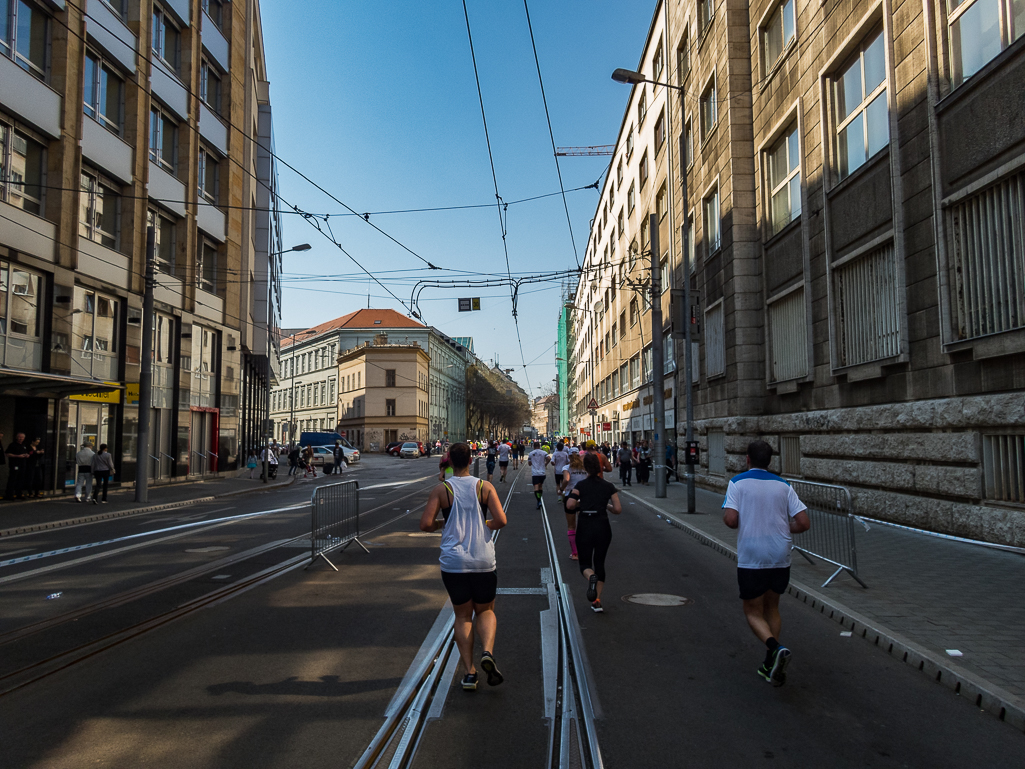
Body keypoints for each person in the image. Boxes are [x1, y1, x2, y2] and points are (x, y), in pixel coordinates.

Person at [420, 442, 508, 691]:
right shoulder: (484, 486)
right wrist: (485, 524)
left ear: (449, 462)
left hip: (454, 562)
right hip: (482, 560)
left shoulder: (442, 489)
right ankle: (487, 652)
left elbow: (426, 524)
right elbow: (501, 520)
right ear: (471, 460)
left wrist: (442, 525)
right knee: (486, 611)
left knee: (462, 615)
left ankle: (469, 672)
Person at [722, 440, 811, 687]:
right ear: (769, 461)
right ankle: (770, 662)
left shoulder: (738, 482)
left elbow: (730, 519)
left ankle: (775, 648)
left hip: (753, 554)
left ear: (747, 459)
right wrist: (784, 527)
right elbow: (803, 523)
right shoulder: (784, 485)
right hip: (780, 553)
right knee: (772, 607)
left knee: (752, 611)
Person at [566, 452, 622, 613]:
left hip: (585, 525)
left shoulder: (581, 486)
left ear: (585, 468)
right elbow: (617, 509)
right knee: (600, 563)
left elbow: (570, 505)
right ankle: (597, 600)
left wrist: (581, 503)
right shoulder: (608, 486)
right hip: (603, 526)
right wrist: (606, 506)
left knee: (585, 563)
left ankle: (590, 577)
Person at [562, 452, 588, 560]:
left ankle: (575, 553)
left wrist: (561, 489)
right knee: (584, 525)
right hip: (584, 498)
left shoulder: (567, 467)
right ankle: (585, 550)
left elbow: (566, 480)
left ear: (569, 457)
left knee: (571, 526)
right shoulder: (585, 467)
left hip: (571, 497)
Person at [5, 432, 30, 501]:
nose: (20, 439)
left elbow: (26, 452)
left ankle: (19, 494)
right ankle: (9, 495)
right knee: (13, 479)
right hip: (15, 464)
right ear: (16, 437)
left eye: (22, 437)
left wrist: (26, 455)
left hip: (22, 464)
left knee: (21, 480)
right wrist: (17, 456)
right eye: (19, 437)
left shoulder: (24, 445)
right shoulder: (12, 445)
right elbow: (7, 454)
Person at [527, 441, 550, 509]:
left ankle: (538, 501)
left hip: (535, 473)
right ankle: (540, 498)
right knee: (540, 486)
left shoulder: (531, 453)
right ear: (539, 446)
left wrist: (532, 462)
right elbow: (549, 458)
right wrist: (545, 463)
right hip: (542, 472)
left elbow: (529, 463)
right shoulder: (544, 452)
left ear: (533, 446)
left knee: (536, 487)